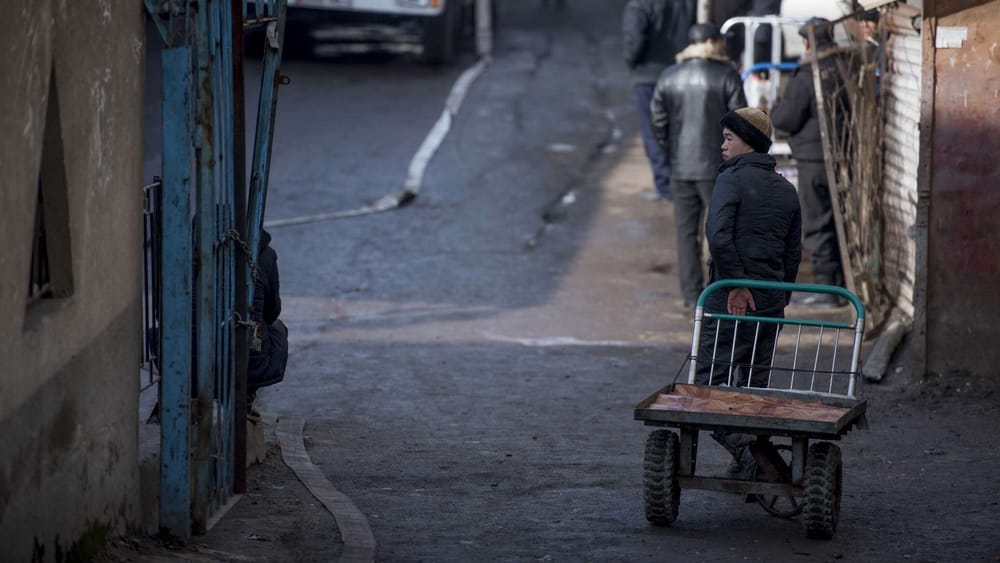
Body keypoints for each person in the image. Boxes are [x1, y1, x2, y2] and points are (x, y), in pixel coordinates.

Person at [697, 107, 802, 479]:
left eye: (729, 138)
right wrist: (778, 300)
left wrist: (738, 286)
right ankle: (750, 460)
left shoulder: (731, 180)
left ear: (749, 142)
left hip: (730, 300)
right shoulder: (787, 190)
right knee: (754, 388)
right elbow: (792, 254)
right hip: (769, 302)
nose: (722, 146)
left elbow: (718, 237)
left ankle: (750, 455)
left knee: (707, 388)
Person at [650, 22, 747, 308]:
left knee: (686, 233)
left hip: (681, 167)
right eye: (720, 40)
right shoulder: (726, 75)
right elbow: (741, 121)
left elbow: (658, 121)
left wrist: (672, 151)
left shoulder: (669, 76)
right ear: (711, 42)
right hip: (717, 167)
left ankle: (692, 296)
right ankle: (718, 292)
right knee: (721, 231)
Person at [770, 17, 847, 307]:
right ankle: (841, 286)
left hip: (813, 161)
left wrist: (774, 110)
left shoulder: (806, 75)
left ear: (806, 43)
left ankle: (827, 290)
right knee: (839, 223)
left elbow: (786, 119)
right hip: (843, 158)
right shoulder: (844, 67)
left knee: (817, 224)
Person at [622, 0, 697, 201]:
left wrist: (631, 62)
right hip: (680, 72)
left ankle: (665, 186)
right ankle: (681, 183)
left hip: (648, 76)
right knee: (678, 129)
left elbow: (633, 40)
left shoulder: (640, 5)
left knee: (654, 132)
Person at [248, 229, 288, 406]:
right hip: (247, 362)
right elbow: (272, 313)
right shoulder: (264, 255)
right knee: (277, 329)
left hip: (185, 362)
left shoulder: (185, 250)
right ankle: (246, 397)